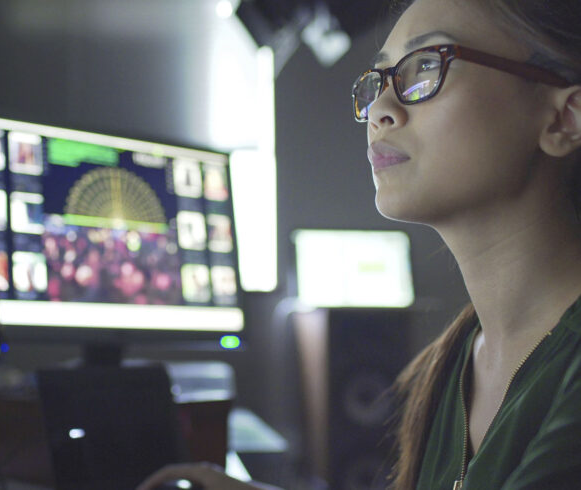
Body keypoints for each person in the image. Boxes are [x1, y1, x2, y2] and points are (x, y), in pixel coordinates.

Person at [138, 0, 581, 488]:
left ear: (564, 119)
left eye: (426, 67)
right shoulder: (458, 358)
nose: (379, 111)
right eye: (378, 82)